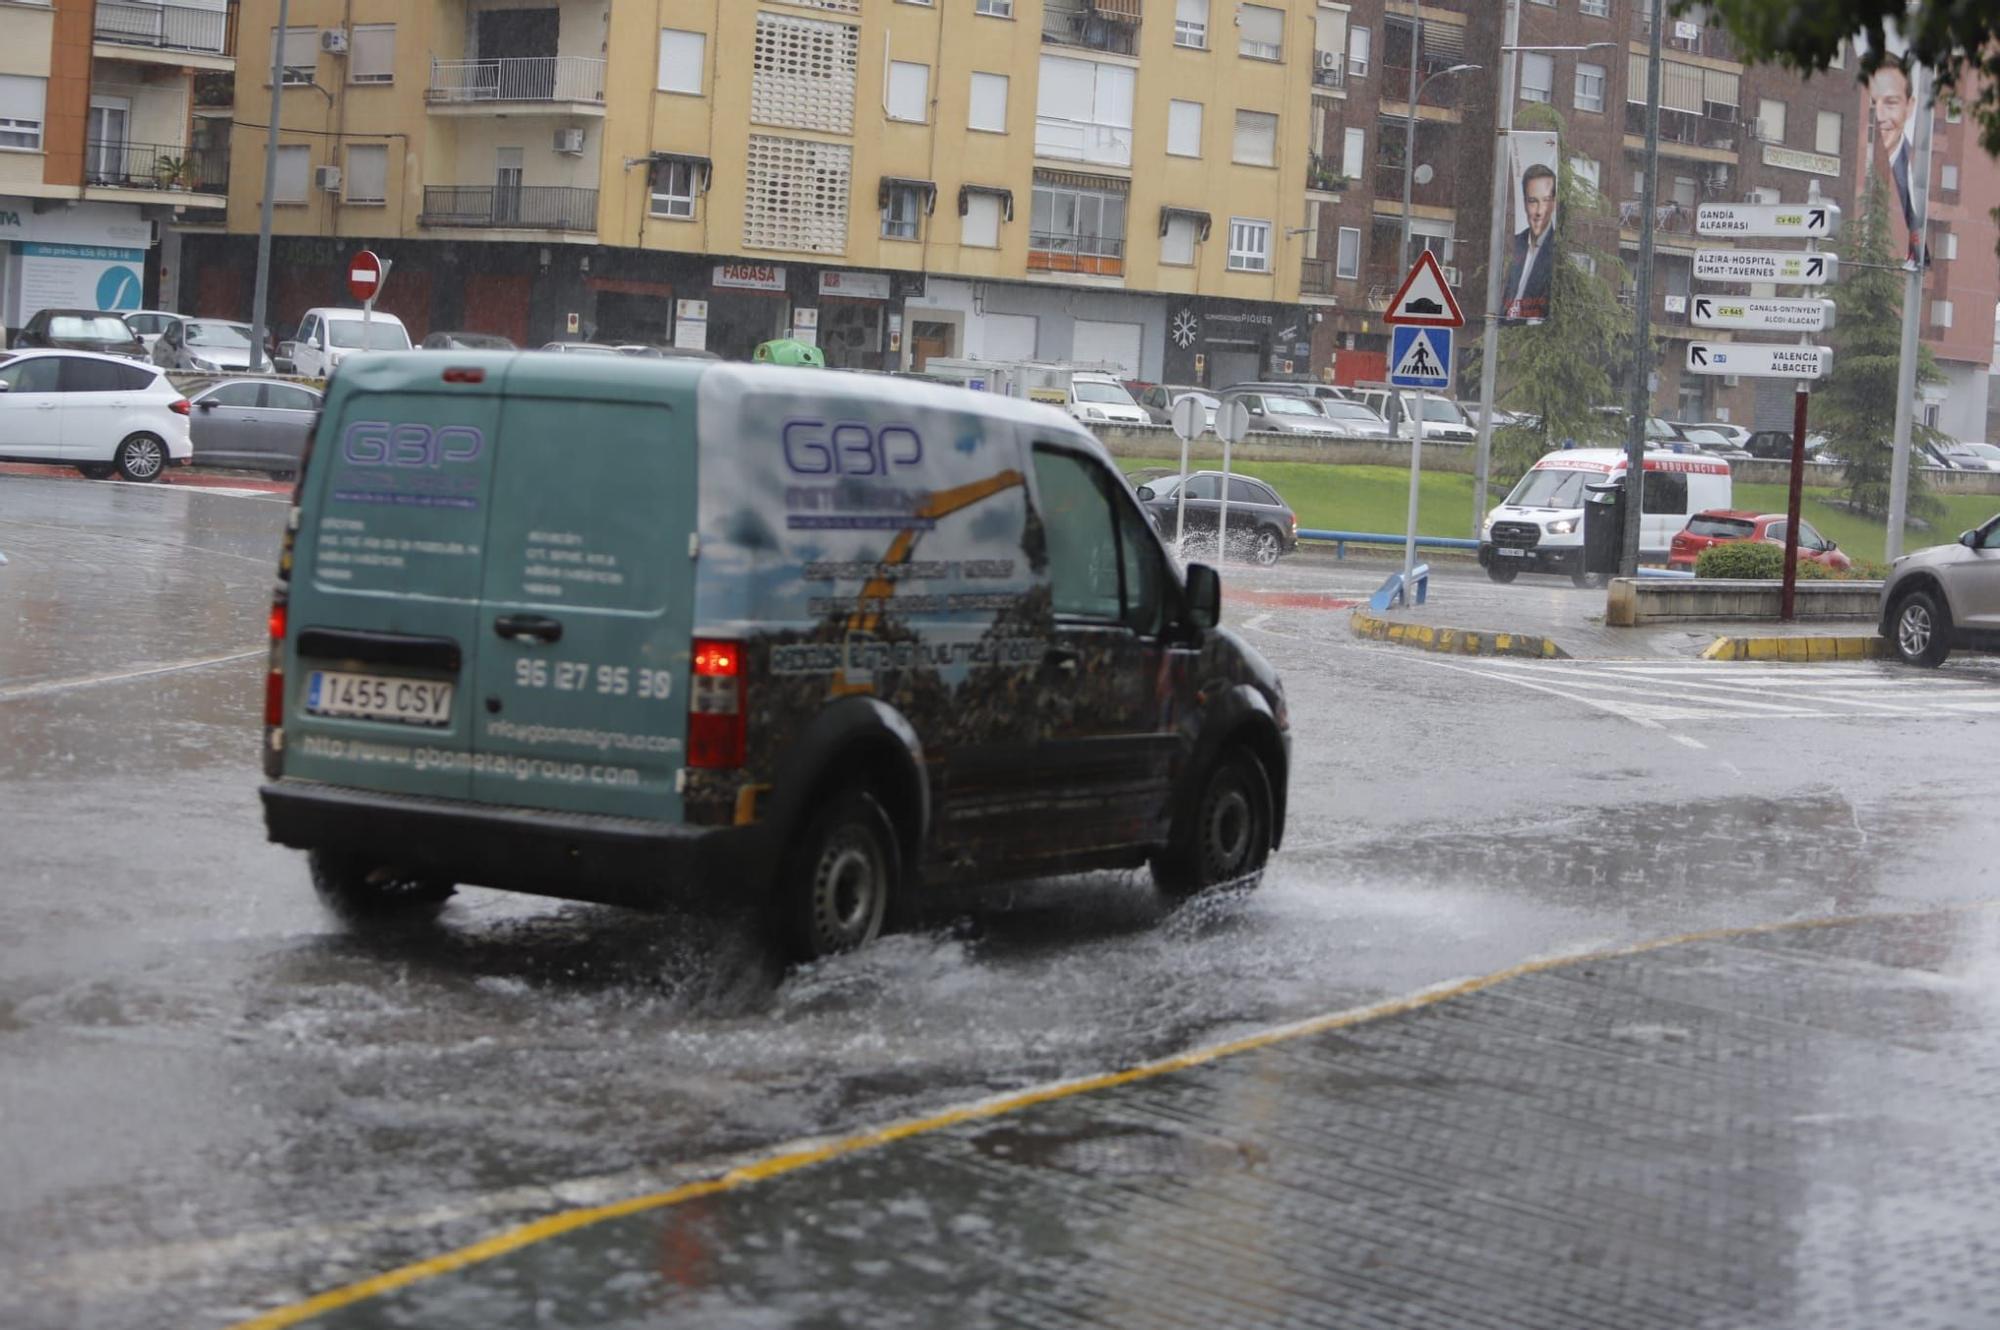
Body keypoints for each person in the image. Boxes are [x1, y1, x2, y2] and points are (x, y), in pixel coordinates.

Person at [1869, 61, 1920, 260]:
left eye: (1890, 103)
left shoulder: (1915, 173)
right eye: (1874, 102)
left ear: (1909, 106)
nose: (1880, 115)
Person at [1502, 163, 1558, 323]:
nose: (1539, 211)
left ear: (1553, 204)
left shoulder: (1556, 251)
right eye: (1533, 201)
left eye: (1545, 201)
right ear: (1525, 204)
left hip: (1531, 333)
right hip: (1505, 328)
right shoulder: (1514, 244)